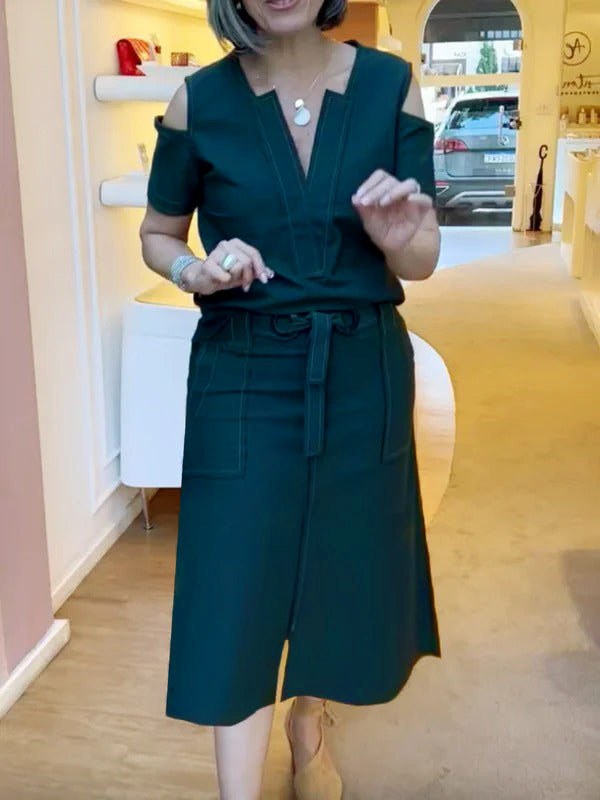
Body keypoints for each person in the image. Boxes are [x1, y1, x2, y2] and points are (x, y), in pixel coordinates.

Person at [139, 0, 442, 796]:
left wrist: (399, 239)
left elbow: (421, 258)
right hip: (240, 373)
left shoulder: (390, 86)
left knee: (340, 563)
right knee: (233, 585)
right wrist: (194, 270)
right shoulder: (199, 101)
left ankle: (309, 720)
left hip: (362, 370)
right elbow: (159, 233)